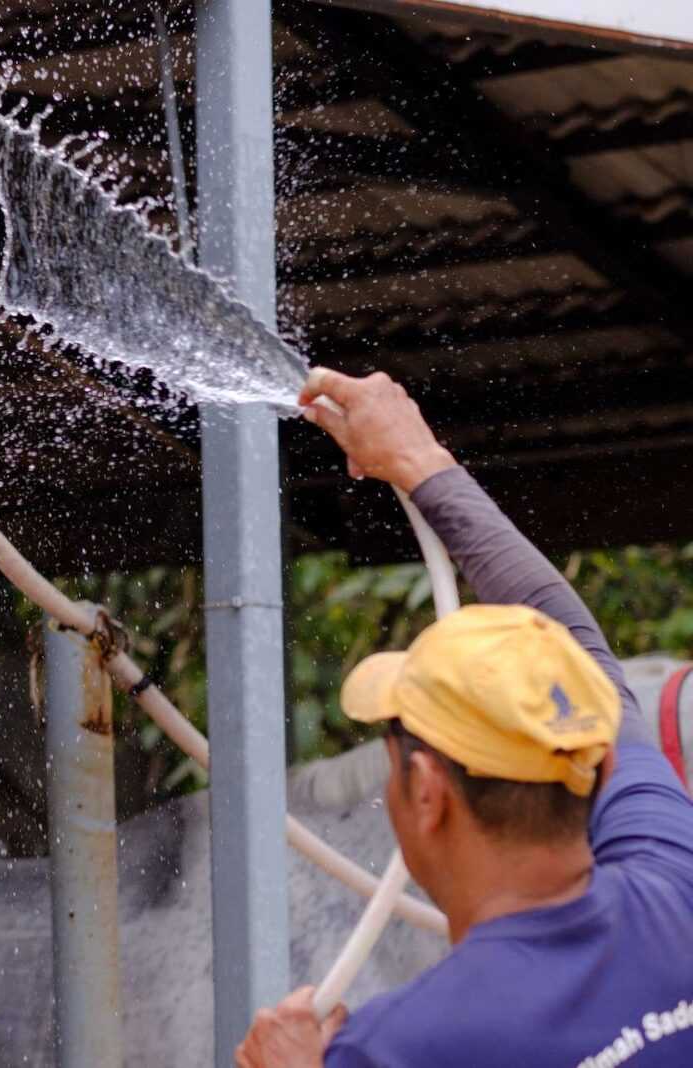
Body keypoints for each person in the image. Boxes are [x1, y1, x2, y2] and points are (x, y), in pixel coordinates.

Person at [235, 368, 693, 1068]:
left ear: (426, 792)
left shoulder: (399, 1048)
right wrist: (419, 459)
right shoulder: (675, 884)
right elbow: (581, 649)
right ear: (598, 767)